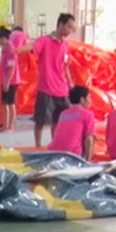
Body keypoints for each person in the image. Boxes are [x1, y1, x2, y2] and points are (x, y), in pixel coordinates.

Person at [33, 13, 76, 148]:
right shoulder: (44, 41)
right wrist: (16, 51)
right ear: (61, 25)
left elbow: (65, 66)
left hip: (62, 89)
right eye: (69, 27)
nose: (70, 31)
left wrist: (70, 83)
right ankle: (38, 146)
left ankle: (55, 144)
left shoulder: (66, 45)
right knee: (40, 121)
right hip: (46, 88)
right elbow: (32, 48)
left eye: (72, 28)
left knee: (58, 120)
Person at [47, 85, 96, 160]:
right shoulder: (87, 114)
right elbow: (89, 140)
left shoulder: (63, 113)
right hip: (71, 155)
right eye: (89, 97)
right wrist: (87, 162)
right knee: (92, 136)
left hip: (53, 153)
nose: (90, 100)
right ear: (82, 100)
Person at [0, 27, 20, 132]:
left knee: (10, 103)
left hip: (11, 81)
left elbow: (11, 68)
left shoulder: (10, 50)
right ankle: (5, 125)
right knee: (4, 103)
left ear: (4, 38)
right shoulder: (4, 49)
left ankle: (10, 126)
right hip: (5, 80)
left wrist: (7, 82)